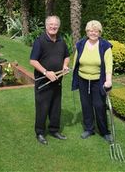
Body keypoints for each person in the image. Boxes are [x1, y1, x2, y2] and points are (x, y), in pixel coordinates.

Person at [30, 15, 70, 145]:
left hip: (57, 81)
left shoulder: (61, 41)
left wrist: (64, 66)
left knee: (55, 107)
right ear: (46, 26)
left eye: (55, 25)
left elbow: (67, 56)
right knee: (43, 107)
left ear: (58, 27)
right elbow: (33, 60)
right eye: (51, 24)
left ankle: (54, 130)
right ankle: (40, 132)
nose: (53, 27)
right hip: (43, 81)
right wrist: (46, 72)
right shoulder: (39, 41)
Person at [71, 20, 113, 143]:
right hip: (83, 80)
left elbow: (109, 65)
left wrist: (109, 80)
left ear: (100, 32)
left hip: (98, 81)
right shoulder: (81, 44)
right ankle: (89, 129)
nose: (93, 33)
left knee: (99, 106)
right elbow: (76, 61)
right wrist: (70, 70)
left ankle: (104, 131)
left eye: (96, 31)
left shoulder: (105, 46)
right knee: (86, 105)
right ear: (87, 31)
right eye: (90, 31)